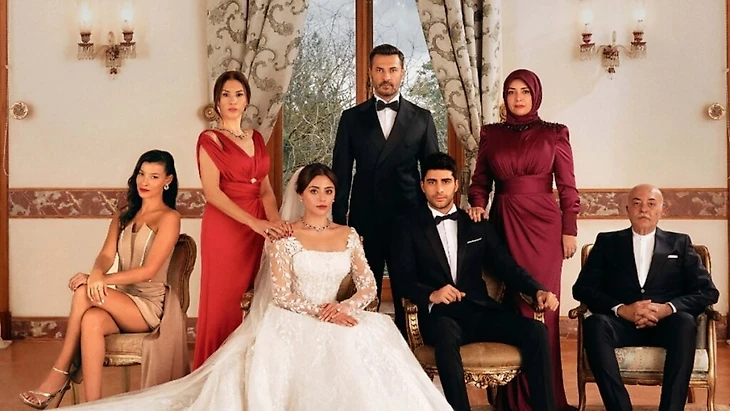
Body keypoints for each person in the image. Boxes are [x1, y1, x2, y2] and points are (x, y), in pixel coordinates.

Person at [61, 163, 452, 410]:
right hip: (296, 315)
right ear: (300, 195)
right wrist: (321, 311)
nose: (321, 198)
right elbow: (281, 294)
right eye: (314, 191)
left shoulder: (348, 235)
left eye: (328, 191)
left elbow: (368, 286)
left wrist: (344, 307)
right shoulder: (283, 236)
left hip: (341, 314)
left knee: (370, 344)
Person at [391, 152, 561, 411]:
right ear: (422, 186)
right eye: (432, 182)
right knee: (446, 338)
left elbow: (506, 266)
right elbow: (402, 278)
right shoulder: (407, 226)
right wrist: (431, 294)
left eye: (445, 182)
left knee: (536, 332)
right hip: (440, 316)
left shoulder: (475, 223)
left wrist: (537, 289)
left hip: (480, 311)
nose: (439, 189)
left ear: (456, 185)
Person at [19, 150, 188, 409]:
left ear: (168, 180)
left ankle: (60, 372)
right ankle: (93, 405)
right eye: (141, 174)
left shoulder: (169, 218)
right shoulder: (124, 216)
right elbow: (106, 255)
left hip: (149, 307)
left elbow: (149, 270)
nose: (145, 181)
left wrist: (99, 280)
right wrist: (96, 273)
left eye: (154, 176)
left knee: (83, 292)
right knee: (91, 320)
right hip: (123, 300)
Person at [466, 68, 580, 410]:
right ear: (504, 97)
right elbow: (479, 182)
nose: (518, 98)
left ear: (536, 95)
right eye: (511, 92)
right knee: (513, 303)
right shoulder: (491, 134)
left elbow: (568, 187)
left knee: (542, 307)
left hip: (545, 229)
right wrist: (477, 205)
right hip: (504, 221)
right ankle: (512, 398)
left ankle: (545, 398)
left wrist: (570, 229)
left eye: (525, 92)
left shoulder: (555, 133)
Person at [573, 184, 719, 411]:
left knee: (684, 322)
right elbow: (582, 289)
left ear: (661, 210)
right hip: (621, 324)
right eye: (637, 203)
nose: (644, 209)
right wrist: (622, 309)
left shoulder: (679, 243)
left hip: (666, 325)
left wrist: (667, 308)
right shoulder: (607, 242)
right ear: (627, 209)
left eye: (651, 204)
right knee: (595, 324)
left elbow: (708, 291)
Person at [332, 44, 439, 332]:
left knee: (409, 293)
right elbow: (341, 173)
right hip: (365, 219)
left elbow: (433, 174)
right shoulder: (351, 118)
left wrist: (433, 219)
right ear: (370, 72)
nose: (386, 77)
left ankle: (409, 352)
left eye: (392, 70)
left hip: (410, 218)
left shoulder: (422, 118)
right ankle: (364, 352)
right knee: (365, 293)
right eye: (379, 70)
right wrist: (340, 223)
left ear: (403, 72)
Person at [194, 71, 291, 368]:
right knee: (225, 300)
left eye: (238, 94)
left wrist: (274, 224)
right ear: (217, 101)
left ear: (247, 100)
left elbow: (265, 190)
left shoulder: (257, 138)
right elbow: (213, 193)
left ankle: (247, 368)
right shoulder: (210, 139)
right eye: (225, 95)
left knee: (254, 296)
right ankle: (215, 369)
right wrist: (255, 223)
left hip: (257, 225)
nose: (232, 101)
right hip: (225, 226)